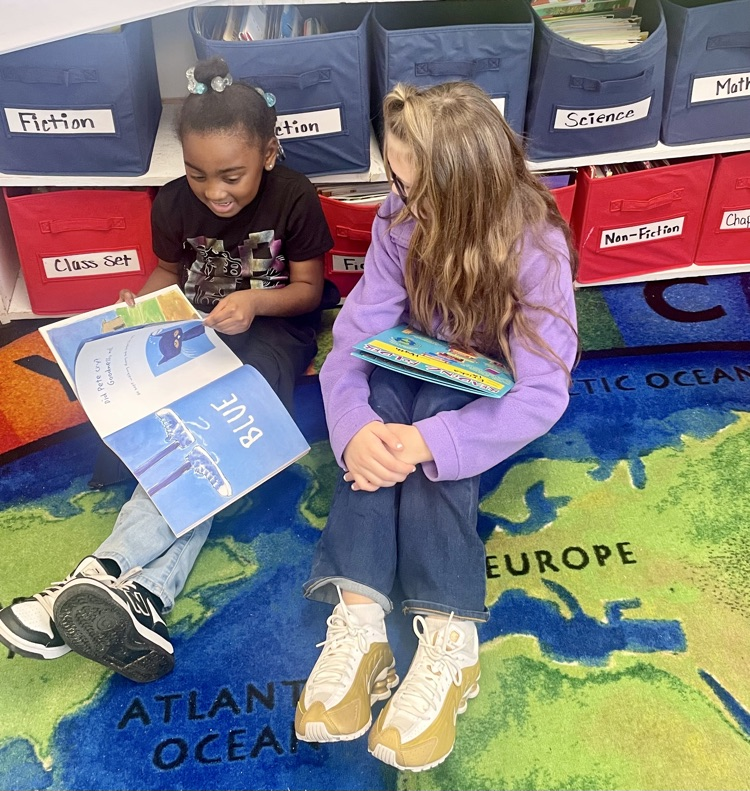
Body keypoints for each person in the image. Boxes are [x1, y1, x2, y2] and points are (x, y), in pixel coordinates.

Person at [0, 57, 333, 683]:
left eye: (231, 175)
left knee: (206, 431)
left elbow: (310, 291)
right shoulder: (174, 204)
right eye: (198, 174)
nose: (214, 191)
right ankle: (143, 596)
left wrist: (258, 300)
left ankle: (94, 576)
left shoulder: (294, 196)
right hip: (194, 330)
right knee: (182, 431)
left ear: (268, 152)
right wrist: (137, 305)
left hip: (272, 332)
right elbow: (167, 275)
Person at [294, 81, 578, 772]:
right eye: (395, 178)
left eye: (416, 189)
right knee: (387, 400)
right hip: (415, 364)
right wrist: (355, 430)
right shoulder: (399, 218)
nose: (398, 199)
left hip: (487, 393)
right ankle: (362, 626)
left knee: (431, 419)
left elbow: (543, 392)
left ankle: (453, 641)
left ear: (472, 189)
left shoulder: (535, 247)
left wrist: (430, 442)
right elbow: (354, 341)